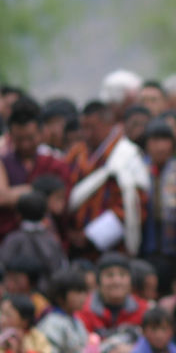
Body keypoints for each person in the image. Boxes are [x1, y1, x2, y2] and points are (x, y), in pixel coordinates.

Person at [65, 100, 148, 258]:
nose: (86, 133)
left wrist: (89, 237)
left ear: (108, 124)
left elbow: (134, 204)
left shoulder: (128, 155)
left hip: (113, 248)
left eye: (91, 128)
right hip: (74, 245)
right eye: (83, 127)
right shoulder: (76, 154)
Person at [0, 97, 70, 242]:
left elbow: (60, 206)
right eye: (19, 139)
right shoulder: (4, 163)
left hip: (49, 245)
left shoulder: (56, 164)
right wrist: (41, 192)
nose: (25, 145)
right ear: (10, 135)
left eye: (30, 138)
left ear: (42, 132)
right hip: (7, 245)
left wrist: (14, 195)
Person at [140, 118, 176, 293]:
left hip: (175, 245)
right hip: (147, 243)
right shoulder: (139, 170)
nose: (159, 147)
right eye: (154, 141)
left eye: (164, 141)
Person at [0, 191, 69, 291]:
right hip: (48, 295)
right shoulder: (51, 240)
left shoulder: (13, 239)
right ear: (44, 214)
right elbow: (61, 267)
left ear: (18, 215)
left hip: (16, 296)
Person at [77, 252, 149, 336]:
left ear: (131, 281)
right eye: (109, 275)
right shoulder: (83, 311)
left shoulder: (144, 310)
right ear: (98, 282)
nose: (116, 281)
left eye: (122, 275)